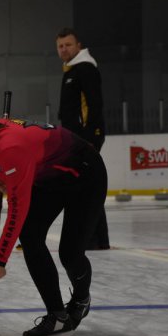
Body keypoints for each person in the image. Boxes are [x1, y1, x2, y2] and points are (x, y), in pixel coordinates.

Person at [0, 108, 107, 336]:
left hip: (86, 175)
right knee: (30, 236)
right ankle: (58, 317)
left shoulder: (9, 148)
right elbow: (19, 165)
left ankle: (81, 299)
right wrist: (8, 179)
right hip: (51, 176)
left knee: (70, 253)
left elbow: (17, 211)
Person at [56, 28, 110, 250]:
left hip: (85, 138)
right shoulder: (71, 70)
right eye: (60, 46)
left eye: (68, 45)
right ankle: (95, 238)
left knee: (88, 184)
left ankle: (96, 239)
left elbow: (94, 105)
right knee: (86, 184)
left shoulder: (85, 68)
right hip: (76, 138)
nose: (64, 49)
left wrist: (89, 137)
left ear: (78, 46)